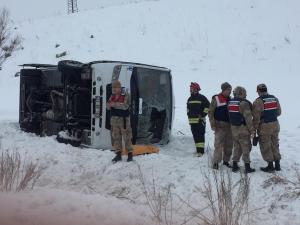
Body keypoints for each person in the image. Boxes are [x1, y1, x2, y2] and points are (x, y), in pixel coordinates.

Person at [253, 84, 282, 172]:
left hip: (265, 125)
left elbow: (256, 117)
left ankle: (270, 166)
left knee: (266, 145)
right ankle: (277, 165)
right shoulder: (274, 98)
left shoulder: (258, 101)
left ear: (258, 91)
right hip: (275, 124)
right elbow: (279, 112)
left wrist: (254, 128)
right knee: (275, 143)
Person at [228, 86, 255, 173]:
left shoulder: (230, 102)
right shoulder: (244, 103)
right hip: (242, 128)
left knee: (236, 147)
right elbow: (248, 119)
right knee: (246, 147)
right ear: (242, 93)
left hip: (233, 128)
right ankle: (247, 167)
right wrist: (252, 131)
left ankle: (235, 165)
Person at [208, 82, 233, 169]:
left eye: (230, 90)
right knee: (218, 145)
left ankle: (226, 161)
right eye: (228, 90)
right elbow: (210, 112)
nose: (230, 91)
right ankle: (216, 163)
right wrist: (213, 124)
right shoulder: (216, 99)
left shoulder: (231, 99)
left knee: (229, 145)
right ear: (224, 90)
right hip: (219, 126)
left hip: (230, 127)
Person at [107, 80, 133, 162]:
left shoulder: (126, 95)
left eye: (115, 87)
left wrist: (114, 104)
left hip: (124, 121)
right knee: (116, 138)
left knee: (127, 138)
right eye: (113, 88)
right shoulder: (112, 96)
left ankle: (130, 155)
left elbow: (125, 106)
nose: (114, 89)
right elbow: (107, 106)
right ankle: (118, 155)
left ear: (119, 87)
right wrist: (110, 105)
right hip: (114, 121)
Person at [187, 82, 210, 157]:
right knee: (195, 136)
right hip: (192, 122)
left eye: (192, 88)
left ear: (196, 89)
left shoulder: (202, 98)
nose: (190, 90)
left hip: (200, 121)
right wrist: (189, 116)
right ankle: (198, 150)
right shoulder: (189, 99)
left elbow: (208, 107)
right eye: (190, 88)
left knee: (200, 136)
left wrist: (203, 114)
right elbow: (188, 109)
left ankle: (201, 151)